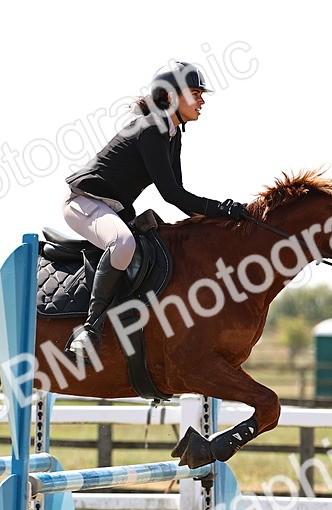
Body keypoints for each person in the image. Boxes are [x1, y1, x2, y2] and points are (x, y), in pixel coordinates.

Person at [62, 61, 246, 359]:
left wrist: (221, 216)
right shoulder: (151, 129)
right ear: (171, 97)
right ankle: (90, 330)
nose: (202, 100)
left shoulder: (172, 134)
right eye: (195, 93)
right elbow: (171, 193)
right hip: (85, 203)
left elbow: (179, 194)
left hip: (114, 208)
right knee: (123, 244)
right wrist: (221, 210)